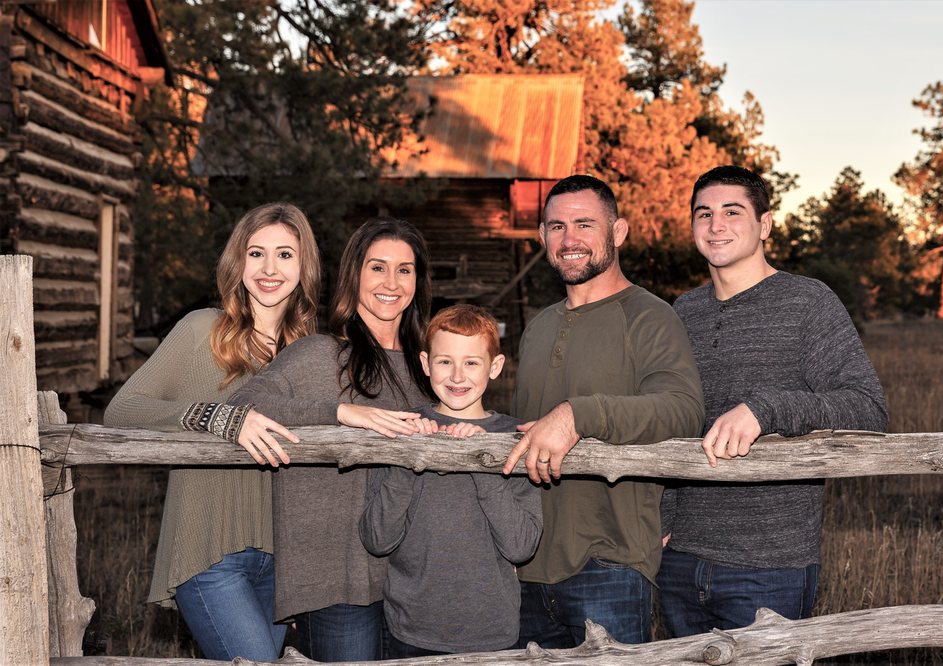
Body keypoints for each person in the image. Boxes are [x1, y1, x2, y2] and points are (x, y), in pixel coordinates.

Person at [657, 165, 889, 637]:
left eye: (732, 211)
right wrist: (664, 518)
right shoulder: (682, 312)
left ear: (765, 225)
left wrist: (768, 409)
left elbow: (868, 408)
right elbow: (672, 418)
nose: (716, 225)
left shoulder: (807, 303)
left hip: (769, 566)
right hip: (679, 559)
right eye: (704, 213)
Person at [189, 217, 434, 661]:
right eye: (377, 267)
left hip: (413, 584)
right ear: (354, 275)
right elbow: (244, 403)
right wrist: (338, 413)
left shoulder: (430, 370)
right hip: (336, 584)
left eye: (405, 269)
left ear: (419, 280)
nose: (391, 282)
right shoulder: (320, 354)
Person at [104, 202, 321, 660]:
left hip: (283, 562)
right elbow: (122, 409)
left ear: (304, 267)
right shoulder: (202, 329)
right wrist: (219, 418)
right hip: (210, 555)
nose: (268, 268)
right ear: (236, 261)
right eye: (256, 253)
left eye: (285, 255)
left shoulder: (310, 352)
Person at [501, 174, 705, 647]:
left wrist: (578, 414)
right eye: (556, 227)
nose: (568, 239)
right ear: (542, 238)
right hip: (527, 564)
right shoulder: (537, 328)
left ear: (618, 232)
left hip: (610, 562)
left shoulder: (650, 316)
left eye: (584, 224)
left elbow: (683, 410)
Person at [359, 304, 543, 657]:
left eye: (472, 362)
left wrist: (480, 461)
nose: (458, 376)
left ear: (495, 367)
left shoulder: (514, 437)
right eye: (445, 362)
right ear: (426, 364)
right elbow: (376, 539)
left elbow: (522, 546)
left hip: (491, 632)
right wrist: (409, 457)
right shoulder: (401, 430)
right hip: (410, 629)